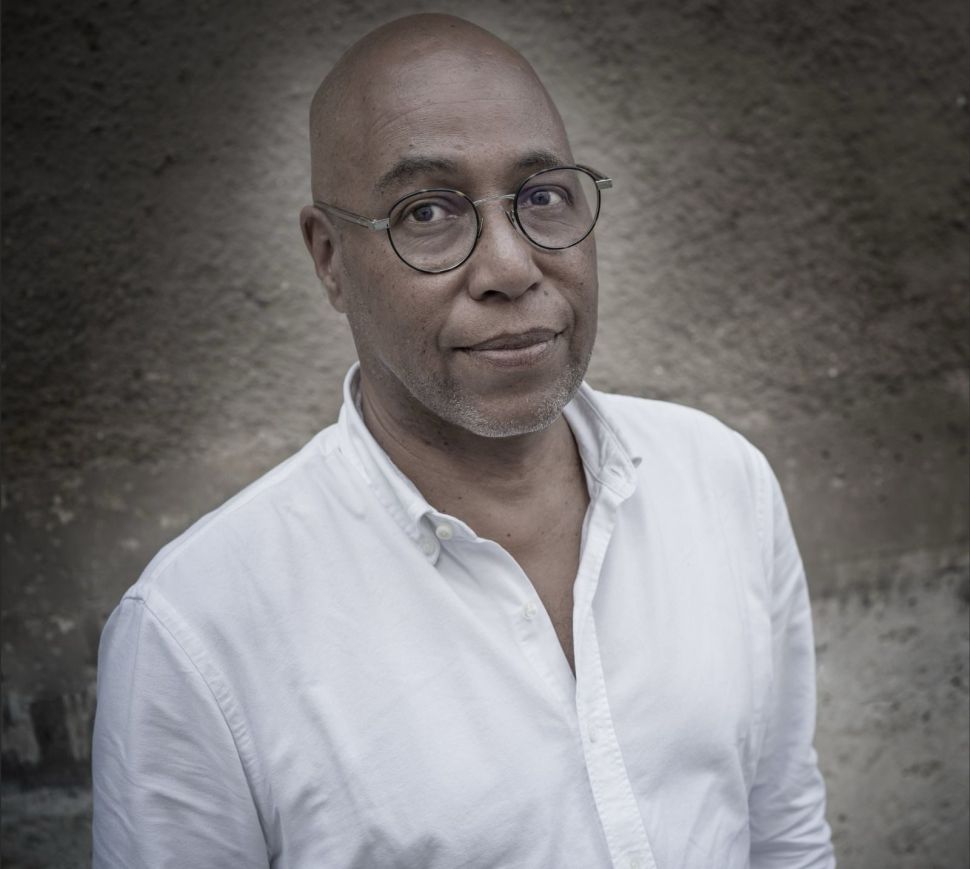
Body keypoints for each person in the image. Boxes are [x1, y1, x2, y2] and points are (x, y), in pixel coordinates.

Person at [92, 13, 836, 869]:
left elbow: (783, 833)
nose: (511, 267)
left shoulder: (722, 483)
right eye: (429, 211)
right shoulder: (196, 634)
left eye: (543, 196)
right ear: (330, 259)